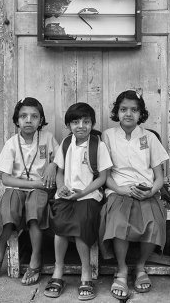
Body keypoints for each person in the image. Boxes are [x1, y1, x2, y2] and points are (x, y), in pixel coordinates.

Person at [100, 89, 169, 299]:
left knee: (154, 222)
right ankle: (121, 269)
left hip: (147, 191)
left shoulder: (149, 137)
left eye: (134, 110)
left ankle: (140, 267)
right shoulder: (108, 136)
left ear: (141, 114)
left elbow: (159, 177)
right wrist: (121, 190)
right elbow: (106, 174)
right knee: (119, 221)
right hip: (118, 190)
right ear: (117, 112)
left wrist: (151, 193)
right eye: (123, 109)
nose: (128, 114)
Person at [0, 97, 59, 285]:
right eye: (23, 116)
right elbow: (5, 179)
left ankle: (36, 258)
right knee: (10, 206)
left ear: (41, 120)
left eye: (34, 116)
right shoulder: (11, 143)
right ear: (17, 120)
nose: (29, 120)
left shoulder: (48, 138)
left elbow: (60, 159)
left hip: (41, 191)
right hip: (19, 188)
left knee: (35, 207)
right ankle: (0, 248)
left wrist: (53, 165)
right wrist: (34, 184)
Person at [44, 102, 112, 300]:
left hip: (89, 195)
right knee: (60, 229)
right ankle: (58, 271)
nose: (81, 125)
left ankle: (86, 272)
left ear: (92, 123)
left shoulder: (98, 146)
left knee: (81, 225)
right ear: (68, 125)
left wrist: (81, 193)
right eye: (75, 122)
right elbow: (60, 172)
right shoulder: (66, 144)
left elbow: (102, 178)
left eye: (86, 121)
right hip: (66, 196)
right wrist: (60, 187)